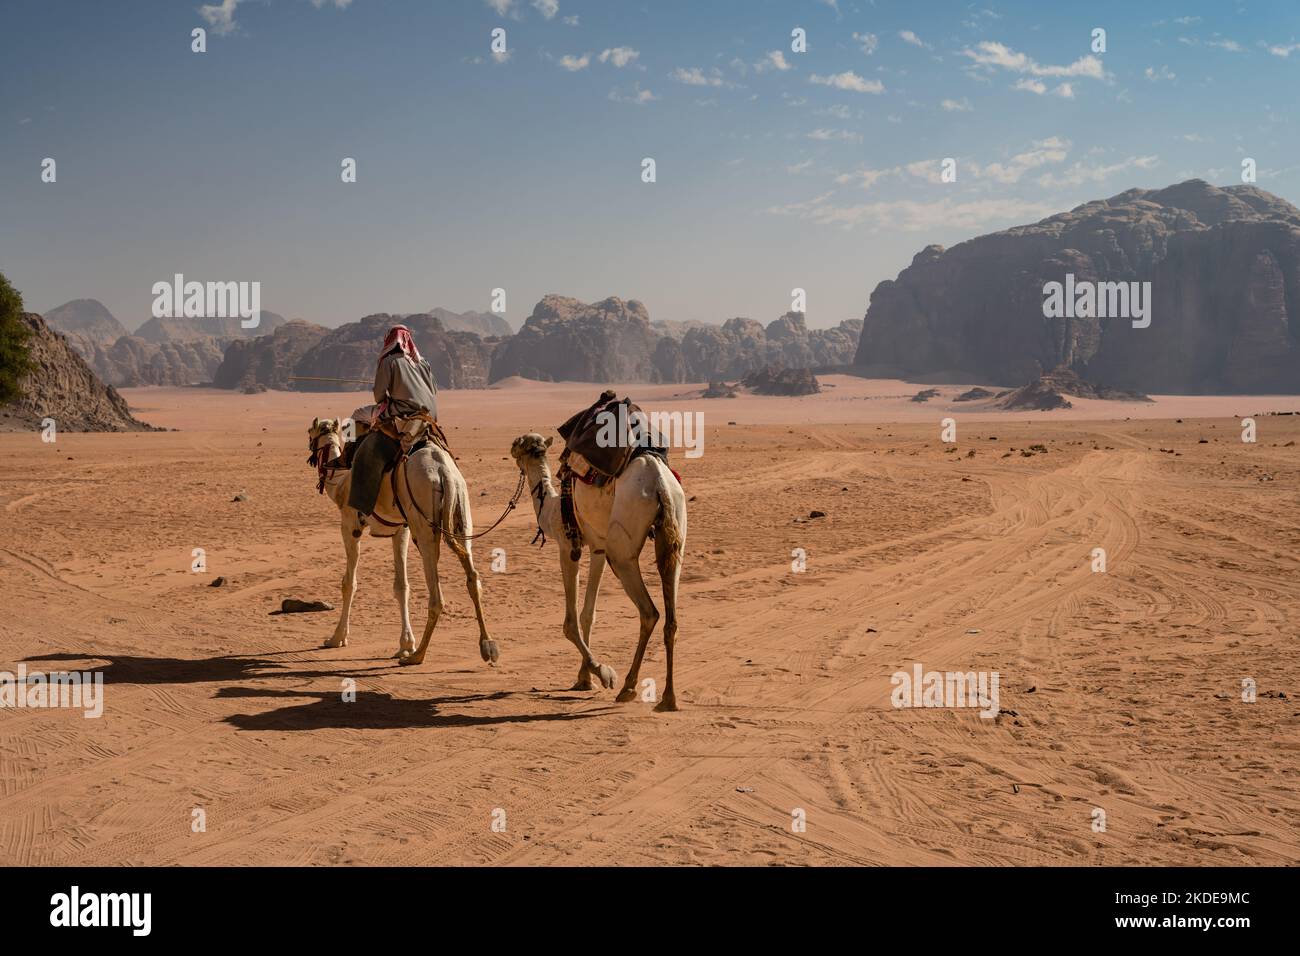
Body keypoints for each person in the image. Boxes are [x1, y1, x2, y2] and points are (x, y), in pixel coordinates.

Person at [347, 325, 439, 519]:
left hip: (402, 413)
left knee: (355, 415)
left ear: (389, 341)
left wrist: (389, 390)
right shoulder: (423, 363)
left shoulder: (388, 361)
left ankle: (348, 456)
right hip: (429, 415)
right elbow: (433, 390)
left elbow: (379, 397)